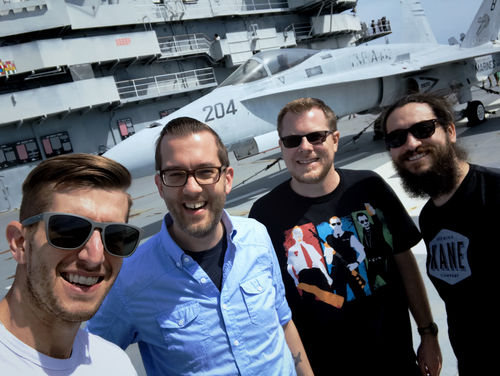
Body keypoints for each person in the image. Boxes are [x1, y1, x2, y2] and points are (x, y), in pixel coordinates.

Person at [88, 117, 313, 375]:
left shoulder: (257, 237)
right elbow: (90, 361)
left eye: (206, 172)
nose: (192, 188)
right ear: (160, 186)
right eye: (176, 174)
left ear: (227, 179)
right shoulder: (130, 278)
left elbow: (283, 323)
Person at [249, 97, 442, 376]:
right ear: (281, 147)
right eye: (292, 140)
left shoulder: (369, 187)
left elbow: (404, 262)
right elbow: (273, 308)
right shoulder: (264, 214)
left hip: (395, 362)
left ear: (335, 139)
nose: (305, 147)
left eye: (316, 136)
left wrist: (428, 333)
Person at [381, 92, 500, 375]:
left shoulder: (495, 192)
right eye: (396, 139)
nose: (411, 143)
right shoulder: (430, 217)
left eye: (423, 130)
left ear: (449, 131)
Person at [0, 153, 141, 375]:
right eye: (70, 230)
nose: (95, 257)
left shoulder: (115, 364)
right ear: (20, 243)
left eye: (115, 236)